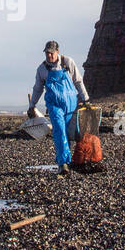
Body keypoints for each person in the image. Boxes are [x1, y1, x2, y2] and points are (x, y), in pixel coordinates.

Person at [27, 40, 90, 176]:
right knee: (59, 131)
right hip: (54, 105)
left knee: (69, 133)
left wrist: (85, 99)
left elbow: (78, 81)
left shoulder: (68, 63)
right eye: (47, 53)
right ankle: (63, 164)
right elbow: (38, 89)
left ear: (58, 52)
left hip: (71, 104)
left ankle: (69, 160)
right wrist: (32, 105)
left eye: (51, 53)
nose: (49, 56)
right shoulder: (42, 69)